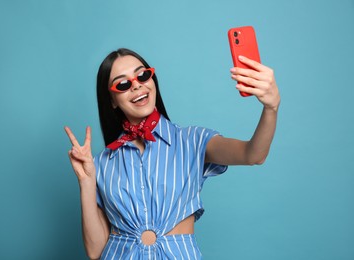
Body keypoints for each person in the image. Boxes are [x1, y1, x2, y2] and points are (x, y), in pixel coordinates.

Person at [64, 48, 280, 259]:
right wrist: (86, 181)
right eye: (123, 84)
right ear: (111, 100)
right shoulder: (102, 163)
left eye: (143, 75)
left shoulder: (192, 141)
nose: (137, 85)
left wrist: (271, 108)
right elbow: (95, 251)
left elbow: (253, 154)